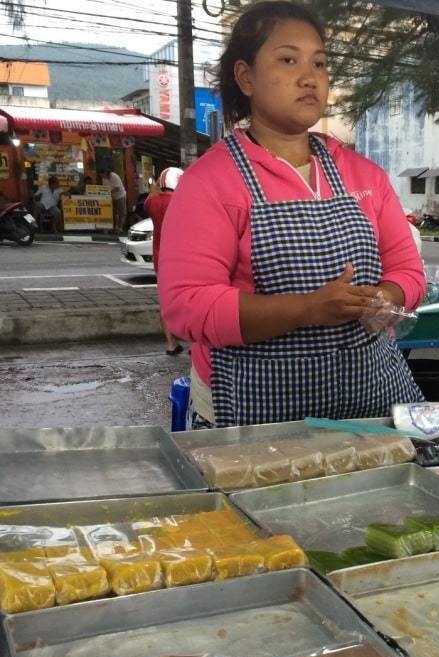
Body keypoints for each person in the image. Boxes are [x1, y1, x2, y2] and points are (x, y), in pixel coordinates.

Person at [158, 1, 425, 429]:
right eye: (288, 59)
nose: (309, 77)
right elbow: (188, 306)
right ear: (245, 76)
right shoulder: (211, 182)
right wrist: (307, 309)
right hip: (254, 412)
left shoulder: (365, 175)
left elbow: (408, 271)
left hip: (371, 400)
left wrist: (385, 298)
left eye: (319, 63)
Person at [145, 167, 185, 356]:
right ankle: (197, 345)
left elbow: (151, 194)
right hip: (184, 260)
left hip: (161, 259)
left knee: (166, 303)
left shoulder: (152, 203)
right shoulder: (182, 202)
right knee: (192, 301)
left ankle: (171, 344)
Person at [103, 168, 127, 233]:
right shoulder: (104, 178)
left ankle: (120, 228)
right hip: (112, 197)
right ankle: (113, 227)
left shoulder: (114, 176)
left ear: (106, 173)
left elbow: (117, 188)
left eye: (103, 175)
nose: (102, 176)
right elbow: (105, 188)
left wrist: (109, 192)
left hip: (120, 196)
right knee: (113, 213)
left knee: (122, 213)